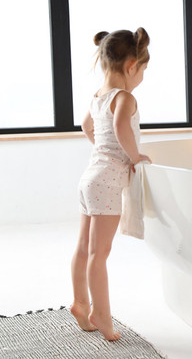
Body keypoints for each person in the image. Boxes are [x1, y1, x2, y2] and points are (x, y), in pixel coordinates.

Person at [71, 28, 152, 341]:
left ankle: (80, 303)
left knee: (83, 247)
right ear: (131, 65)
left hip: (89, 178)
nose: (143, 75)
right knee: (99, 254)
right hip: (106, 181)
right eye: (143, 69)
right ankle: (101, 315)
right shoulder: (125, 97)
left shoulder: (98, 97)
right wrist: (134, 157)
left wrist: (101, 147)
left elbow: (86, 125)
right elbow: (121, 126)